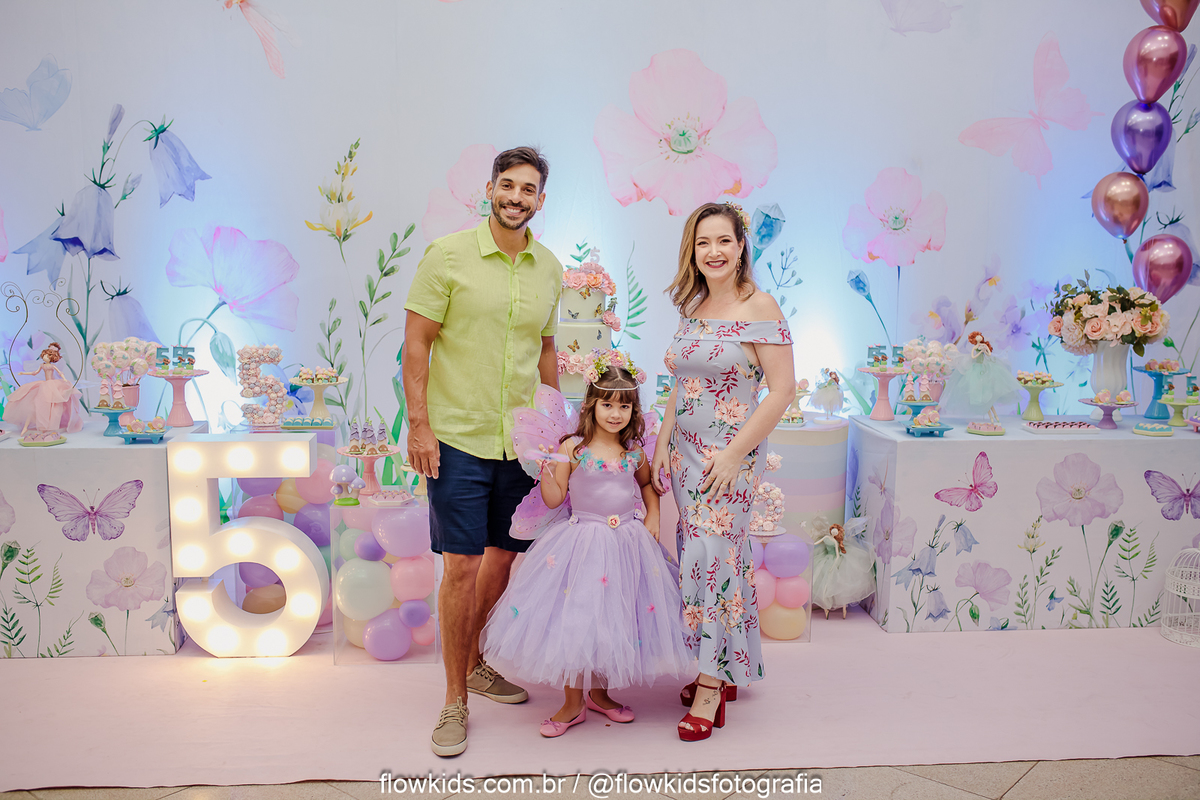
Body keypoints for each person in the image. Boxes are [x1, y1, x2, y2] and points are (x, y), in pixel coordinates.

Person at [402, 146, 562, 757]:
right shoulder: (447, 256)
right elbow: (416, 344)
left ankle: (474, 664)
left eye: (528, 189)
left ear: (540, 200)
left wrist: (553, 432)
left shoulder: (549, 269)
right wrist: (420, 427)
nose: (517, 197)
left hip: (520, 443)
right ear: (490, 190)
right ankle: (453, 701)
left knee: (502, 560)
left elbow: (544, 349)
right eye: (508, 185)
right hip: (457, 439)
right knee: (462, 567)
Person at [482, 358, 691, 737]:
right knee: (578, 617)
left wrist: (654, 515)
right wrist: (548, 471)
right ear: (591, 405)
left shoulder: (634, 451)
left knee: (615, 618)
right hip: (582, 545)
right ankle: (572, 702)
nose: (615, 413)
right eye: (607, 404)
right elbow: (554, 499)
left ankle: (600, 693)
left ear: (634, 410)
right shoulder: (573, 448)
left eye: (624, 406)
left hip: (627, 543)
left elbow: (646, 485)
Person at [650, 202, 795, 742]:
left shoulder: (761, 305)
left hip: (729, 457)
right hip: (685, 455)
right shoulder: (694, 305)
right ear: (692, 250)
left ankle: (709, 687)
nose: (713, 251)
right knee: (699, 558)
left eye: (724, 241)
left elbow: (782, 391)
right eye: (703, 242)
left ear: (740, 247)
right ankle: (723, 665)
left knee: (715, 559)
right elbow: (682, 385)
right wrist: (662, 443)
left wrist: (733, 455)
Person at [3, 342, 84, 442]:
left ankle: (50, 425)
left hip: (52, 385)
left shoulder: (52, 366)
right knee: (34, 405)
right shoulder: (42, 365)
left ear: (51, 357)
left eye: (47, 356)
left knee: (54, 405)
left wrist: (64, 379)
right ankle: (29, 427)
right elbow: (34, 373)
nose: (44, 357)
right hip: (44, 385)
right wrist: (23, 373)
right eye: (44, 355)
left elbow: (60, 373)